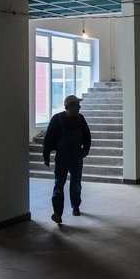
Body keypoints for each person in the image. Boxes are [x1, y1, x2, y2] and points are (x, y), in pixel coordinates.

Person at [43, 95, 91, 223]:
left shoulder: (80, 119)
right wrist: (46, 157)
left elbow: (87, 135)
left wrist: (86, 149)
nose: (79, 107)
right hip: (62, 157)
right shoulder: (57, 119)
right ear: (68, 106)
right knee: (59, 185)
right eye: (76, 105)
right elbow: (48, 139)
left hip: (76, 156)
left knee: (76, 184)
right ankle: (57, 213)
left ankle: (76, 206)